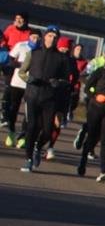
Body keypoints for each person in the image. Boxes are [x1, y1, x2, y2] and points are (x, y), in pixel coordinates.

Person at [17, 25, 73, 171]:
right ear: (45, 37)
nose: (52, 39)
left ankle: (38, 147)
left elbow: (66, 81)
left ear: (57, 40)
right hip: (32, 96)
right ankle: (28, 159)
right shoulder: (33, 53)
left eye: (55, 37)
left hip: (50, 99)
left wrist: (58, 83)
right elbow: (21, 72)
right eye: (49, 36)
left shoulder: (62, 58)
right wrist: (29, 79)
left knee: (48, 131)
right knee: (32, 127)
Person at [78, 45, 105, 181]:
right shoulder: (99, 71)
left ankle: (103, 171)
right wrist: (96, 96)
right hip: (95, 109)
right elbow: (87, 88)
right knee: (92, 137)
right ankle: (83, 161)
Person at [4, 28, 36, 148]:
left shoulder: (40, 50)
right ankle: (11, 132)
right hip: (17, 82)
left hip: (31, 85)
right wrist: (23, 65)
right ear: (29, 37)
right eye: (33, 37)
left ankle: (23, 136)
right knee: (13, 109)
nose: (35, 40)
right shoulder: (21, 45)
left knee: (29, 112)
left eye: (38, 38)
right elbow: (10, 61)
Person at [1, 12, 30, 139]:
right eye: (16, 18)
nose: (18, 21)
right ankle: (4, 116)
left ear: (25, 21)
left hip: (22, 66)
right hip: (10, 61)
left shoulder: (29, 33)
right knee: (8, 87)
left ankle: (12, 119)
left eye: (20, 19)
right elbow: (4, 40)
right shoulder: (10, 29)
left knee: (15, 92)